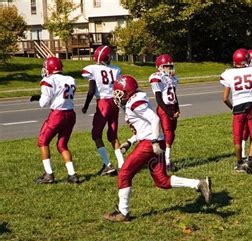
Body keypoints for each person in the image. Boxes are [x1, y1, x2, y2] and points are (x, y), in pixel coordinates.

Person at [103, 75, 211, 222]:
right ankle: (198, 183)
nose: (117, 97)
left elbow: (155, 119)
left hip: (150, 143)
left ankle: (123, 212)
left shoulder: (135, 103)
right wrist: (130, 141)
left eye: (119, 93)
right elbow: (144, 129)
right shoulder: (134, 102)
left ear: (127, 91)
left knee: (124, 174)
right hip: (154, 141)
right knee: (162, 181)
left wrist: (153, 142)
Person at [30, 57, 80, 184]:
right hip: (70, 114)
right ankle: (72, 175)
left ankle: (48, 175)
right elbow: (61, 95)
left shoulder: (48, 80)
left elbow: (43, 103)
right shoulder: (70, 79)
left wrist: (39, 98)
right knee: (62, 145)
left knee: (43, 142)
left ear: (50, 68)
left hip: (57, 115)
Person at [81, 45, 123, 176]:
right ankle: (123, 165)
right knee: (113, 135)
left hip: (103, 103)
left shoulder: (91, 69)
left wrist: (86, 105)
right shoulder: (115, 70)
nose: (110, 58)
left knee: (96, 134)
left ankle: (108, 164)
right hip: (114, 102)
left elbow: (92, 90)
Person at [220, 48, 252, 173]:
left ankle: (239, 163)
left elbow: (225, 98)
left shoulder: (228, 73)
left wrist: (233, 108)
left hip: (238, 107)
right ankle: (250, 160)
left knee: (237, 139)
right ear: (247, 60)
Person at [149, 54, 180, 172]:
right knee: (168, 134)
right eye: (167, 66)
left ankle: (165, 159)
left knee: (171, 134)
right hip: (164, 108)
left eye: (170, 66)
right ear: (160, 67)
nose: (169, 69)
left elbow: (174, 94)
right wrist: (168, 112)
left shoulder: (172, 78)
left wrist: (177, 108)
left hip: (172, 107)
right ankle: (166, 161)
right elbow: (158, 98)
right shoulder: (157, 78)